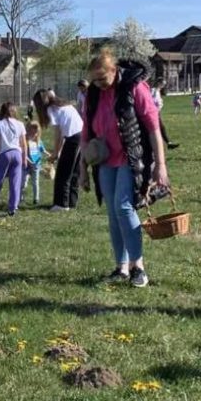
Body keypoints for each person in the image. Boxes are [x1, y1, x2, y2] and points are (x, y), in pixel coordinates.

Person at [82, 50, 169, 288]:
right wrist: (82, 169)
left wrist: (160, 166)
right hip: (105, 161)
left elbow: (153, 129)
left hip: (132, 159)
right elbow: (86, 133)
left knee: (123, 206)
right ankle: (120, 267)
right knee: (112, 212)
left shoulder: (135, 87)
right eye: (94, 80)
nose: (98, 84)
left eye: (102, 78)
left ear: (114, 70)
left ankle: (137, 267)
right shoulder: (93, 94)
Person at [32, 89, 83, 211]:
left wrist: (55, 153)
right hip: (81, 135)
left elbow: (58, 133)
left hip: (74, 139)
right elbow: (66, 129)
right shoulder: (63, 103)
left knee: (63, 172)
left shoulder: (51, 109)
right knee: (74, 172)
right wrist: (59, 152)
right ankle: (71, 202)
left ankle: (61, 204)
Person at [0, 102, 27, 216]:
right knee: (15, 183)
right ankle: (12, 208)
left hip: (4, 154)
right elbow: (24, 144)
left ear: (2, 112)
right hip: (17, 154)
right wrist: (25, 158)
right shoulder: (20, 124)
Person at [25, 121, 50, 205]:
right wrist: (28, 161)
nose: (34, 133)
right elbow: (23, 153)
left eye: (36, 131)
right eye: (32, 130)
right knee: (24, 182)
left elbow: (43, 150)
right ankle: (20, 198)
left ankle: (36, 198)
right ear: (28, 130)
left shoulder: (38, 140)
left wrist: (48, 154)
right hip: (26, 165)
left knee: (35, 182)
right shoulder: (26, 141)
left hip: (36, 165)